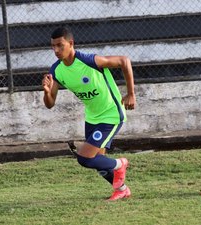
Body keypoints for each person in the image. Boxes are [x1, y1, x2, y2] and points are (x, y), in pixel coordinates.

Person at [42, 27, 136, 201]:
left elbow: (124, 60)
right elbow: (50, 104)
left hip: (111, 114)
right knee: (98, 162)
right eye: (53, 46)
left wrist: (131, 93)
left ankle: (120, 164)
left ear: (71, 44)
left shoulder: (89, 60)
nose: (55, 50)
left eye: (60, 46)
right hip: (92, 117)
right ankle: (122, 190)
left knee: (84, 158)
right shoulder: (56, 70)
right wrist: (47, 92)